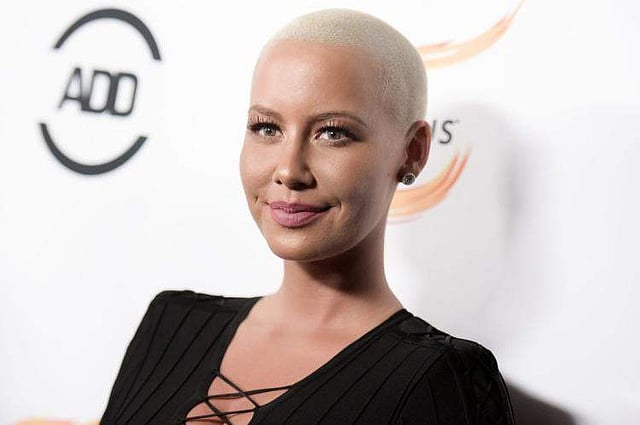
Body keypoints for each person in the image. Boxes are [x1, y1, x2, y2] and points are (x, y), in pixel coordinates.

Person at [99, 8, 515, 425]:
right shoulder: (172, 324)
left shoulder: (442, 379)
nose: (289, 171)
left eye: (333, 133)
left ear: (413, 151)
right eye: (267, 128)